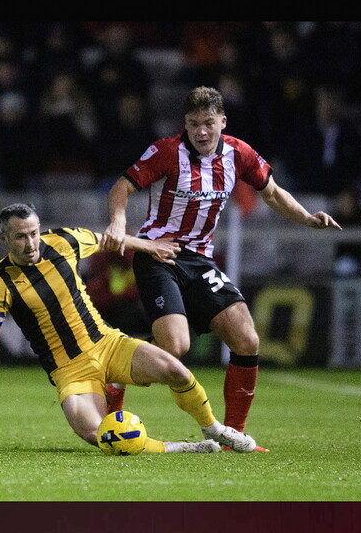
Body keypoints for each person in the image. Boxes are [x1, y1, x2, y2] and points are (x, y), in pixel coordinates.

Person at [100, 86, 342, 451]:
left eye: (208, 123)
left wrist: (307, 218)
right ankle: (117, 374)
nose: (201, 131)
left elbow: (273, 193)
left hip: (199, 259)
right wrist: (118, 222)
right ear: (185, 124)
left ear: (222, 122)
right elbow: (122, 186)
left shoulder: (238, 153)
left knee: (247, 338)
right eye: (194, 124)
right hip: (158, 255)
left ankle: (233, 436)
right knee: (176, 347)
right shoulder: (166, 152)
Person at [0, 203, 257, 454]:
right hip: (70, 373)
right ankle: (183, 447)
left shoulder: (64, 241)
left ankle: (215, 430)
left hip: (108, 344)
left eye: (34, 233)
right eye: (21, 237)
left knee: (176, 371)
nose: (31, 243)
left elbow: (112, 240)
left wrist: (150, 246)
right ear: (4, 238)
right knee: (101, 436)